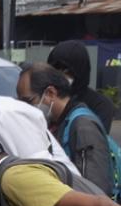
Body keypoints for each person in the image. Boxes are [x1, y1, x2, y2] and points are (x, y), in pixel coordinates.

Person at [17, 64, 114, 196]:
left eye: (28, 101)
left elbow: (95, 189)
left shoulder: (83, 126)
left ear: (50, 93)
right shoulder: (55, 122)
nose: (23, 108)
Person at [47, 40, 116, 132]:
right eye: (56, 70)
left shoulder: (100, 104)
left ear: (81, 72)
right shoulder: (46, 96)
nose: (60, 76)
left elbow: (94, 138)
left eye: (67, 71)